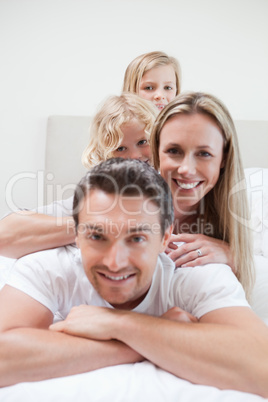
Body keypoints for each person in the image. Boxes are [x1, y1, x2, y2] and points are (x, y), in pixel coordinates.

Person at [0, 158, 267, 397]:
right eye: (97, 236)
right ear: (77, 235)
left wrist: (120, 324)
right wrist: (139, 342)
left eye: (137, 238)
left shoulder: (193, 272)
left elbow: (261, 364)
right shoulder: (50, 266)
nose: (115, 262)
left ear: (165, 237)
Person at [0, 93, 157, 258]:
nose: (134, 156)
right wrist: (99, 225)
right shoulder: (96, 196)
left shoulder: (174, 184)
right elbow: (5, 232)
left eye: (142, 142)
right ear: (106, 156)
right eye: (120, 148)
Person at [150, 91, 255, 299]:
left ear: (223, 159)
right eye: (173, 150)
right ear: (157, 152)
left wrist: (233, 255)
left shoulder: (233, 222)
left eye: (204, 154)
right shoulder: (124, 197)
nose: (186, 169)